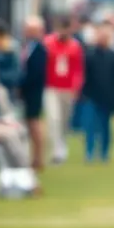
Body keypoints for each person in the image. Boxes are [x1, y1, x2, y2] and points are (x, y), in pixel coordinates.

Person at [80, 23, 114, 163]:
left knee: (105, 125)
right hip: (91, 95)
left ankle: (104, 152)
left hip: (108, 96)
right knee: (90, 126)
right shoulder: (89, 55)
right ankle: (89, 152)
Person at [43, 17, 85, 164]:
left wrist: (76, 86)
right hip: (52, 86)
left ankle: (62, 144)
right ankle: (56, 150)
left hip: (67, 88)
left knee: (64, 119)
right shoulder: (48, 43)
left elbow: (77, 68)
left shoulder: (74, 46)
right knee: (54, 118)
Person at [19, 16, 47, 175]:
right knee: (29, 124)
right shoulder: (26, 46)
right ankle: (30, 156)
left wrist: (22, 84)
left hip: (34, 91)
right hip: (28, 91)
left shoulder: (40, 49)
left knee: (34, 123)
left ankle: (38, 157)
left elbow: (36, 72)